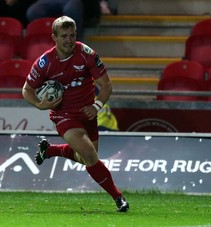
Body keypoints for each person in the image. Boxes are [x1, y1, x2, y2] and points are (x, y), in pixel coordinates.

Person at [22, 16, 129, 212]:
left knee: (84, 157)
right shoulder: (44, 63)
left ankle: (51, 151)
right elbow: (27, 90)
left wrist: (96, 106)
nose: (69, 40)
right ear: (54, 37)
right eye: (64, 36)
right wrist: (40, 104)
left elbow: (106, 85)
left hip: (88, 114)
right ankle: (118, 198)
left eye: (72, 35)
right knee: (89, 154)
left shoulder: (86, 54)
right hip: (64, 116)